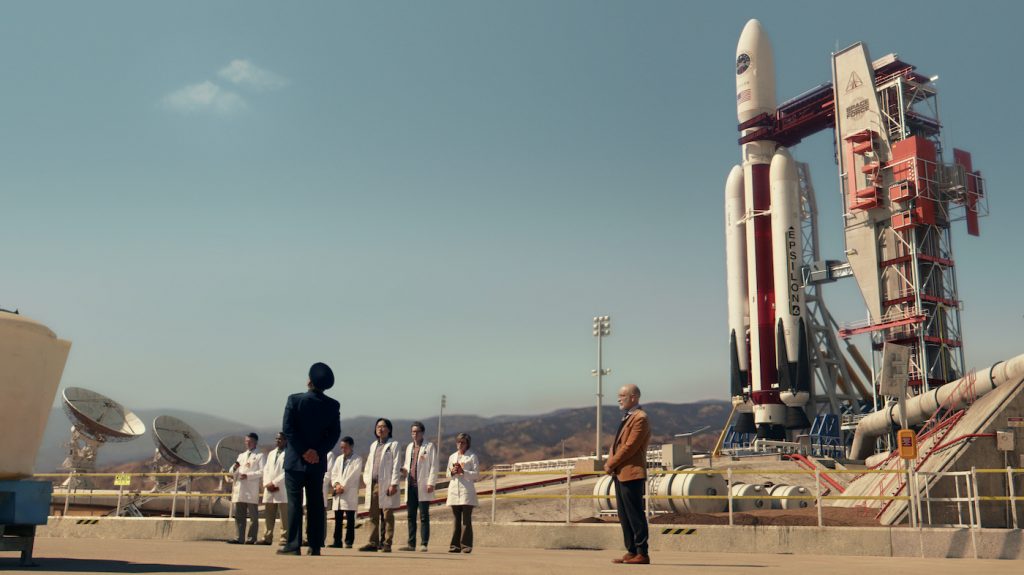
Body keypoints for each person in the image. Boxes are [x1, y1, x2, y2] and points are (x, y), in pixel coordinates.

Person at [278, 362, 342, 556]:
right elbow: (334, 434)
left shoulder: (294, 400)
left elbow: (288, 429)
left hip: (295, 461)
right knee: (315, 504)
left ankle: (293, 544)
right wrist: (317, 452)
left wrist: (304, 451)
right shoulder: (332, 405)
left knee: (295, 503)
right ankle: (315, 545)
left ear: (309, 381)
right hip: (317, 463)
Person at [604, 384, 651, 565]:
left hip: (632, 472)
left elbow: (629, 447)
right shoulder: (628, 417)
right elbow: (617, 444)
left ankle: (642, 552)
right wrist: (612, 464)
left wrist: (611, 463)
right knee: (624, 514)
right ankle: (631, 550)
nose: (618, 398)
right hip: (621, 473)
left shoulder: (640, 418)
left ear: (634, 397)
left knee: (635, 513)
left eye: (622, 395)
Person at [358, 418, 401, 553]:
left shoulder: (394, 445)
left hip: (387, 484)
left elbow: (396, 465)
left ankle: (387, 543)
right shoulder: (373, 445)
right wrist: (366, 479)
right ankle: (373, 543)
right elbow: (369, 465)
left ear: (389, 429)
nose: (380, 429)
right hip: (373, 484)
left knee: (387, 514)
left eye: (383, 426)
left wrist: (393, 484)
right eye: (378, 426)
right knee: (373, 515)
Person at [399, 421, 437, 552]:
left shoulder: (429, 446)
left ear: (422, 433)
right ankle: (411, 544)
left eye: (417, 432)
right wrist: (402, 470)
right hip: (410, 485)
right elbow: (407, 464)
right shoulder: (409, 447)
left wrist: (431, 482)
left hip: (423, 485)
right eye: (413, 432)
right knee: (410, 516)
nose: (415, 434)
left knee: (424, 516)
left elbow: (434, 466)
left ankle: (424, 543)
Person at [228, 432, 265, 545]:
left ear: (255, 442)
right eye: (246, 441)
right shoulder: (241, 456)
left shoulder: (260, 455)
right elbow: (232, 470)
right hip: (240, 488)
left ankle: (251, 538)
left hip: (250, 488)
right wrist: (234, 469)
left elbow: (262, 471)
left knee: (253, 516)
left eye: (250, 441)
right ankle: (239, 537)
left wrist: (248, 476)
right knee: (239, 516)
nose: (247, 443)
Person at [445, 432, 479, 554]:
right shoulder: (452, 457)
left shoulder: (472, 457)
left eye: (462, 442)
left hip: (466, 491)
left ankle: (466, 546)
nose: (459, 444)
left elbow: (476, 474)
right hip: (454, 491)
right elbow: (447, 474)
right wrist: (453, 472)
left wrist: (463, 471)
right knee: (456, 520)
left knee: (466, 520)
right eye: (458, 441)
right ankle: (455, 546)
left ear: (467, 444)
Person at [329, 436, 362, 548]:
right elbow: (334, 474)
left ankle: (349, 541)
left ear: (351, 446)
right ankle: (337, 541)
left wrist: (343, 486)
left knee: (350, 519)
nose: (343, 449)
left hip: (348, 492)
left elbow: (353, 475)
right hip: (338, 492)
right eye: (341, 447)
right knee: (338, 519)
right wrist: (336, 484)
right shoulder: (338, 459)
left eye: (345, 447)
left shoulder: (357, 459)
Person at [259, 432, 288, 546]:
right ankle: (267, 536)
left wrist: (275, 483)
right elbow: (266, 469)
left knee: (284, 515)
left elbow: (287, 471)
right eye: (276, 439)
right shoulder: (271, 453)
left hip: (281, 487)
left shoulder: (289, 453)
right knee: (269, 514)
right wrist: (267, 483)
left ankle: (284, 537)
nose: (278, 441)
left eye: (280, 439)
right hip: (269, 488)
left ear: (286, 440)